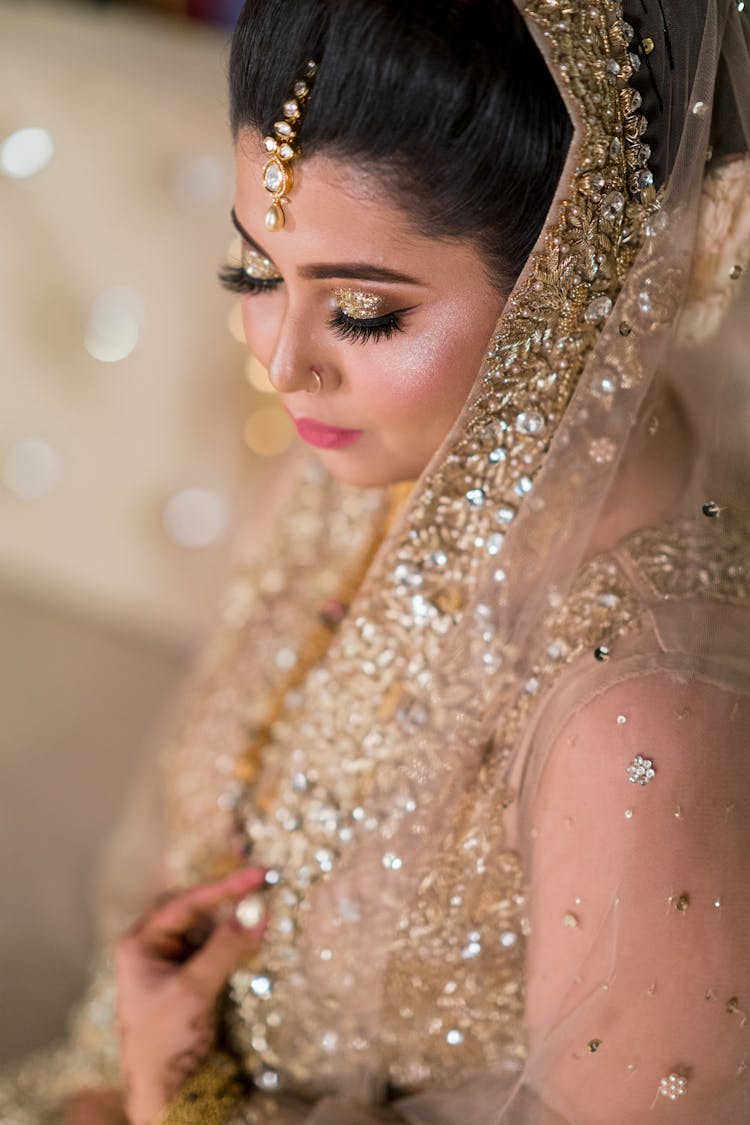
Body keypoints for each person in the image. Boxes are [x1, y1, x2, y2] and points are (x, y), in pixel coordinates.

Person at [3, 0, 750, 1121]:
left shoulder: (641, 722)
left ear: (580, 282)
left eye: (359, 309)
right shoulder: (375, 467)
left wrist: (185, 1099)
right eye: (254, 274)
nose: (280, 363)